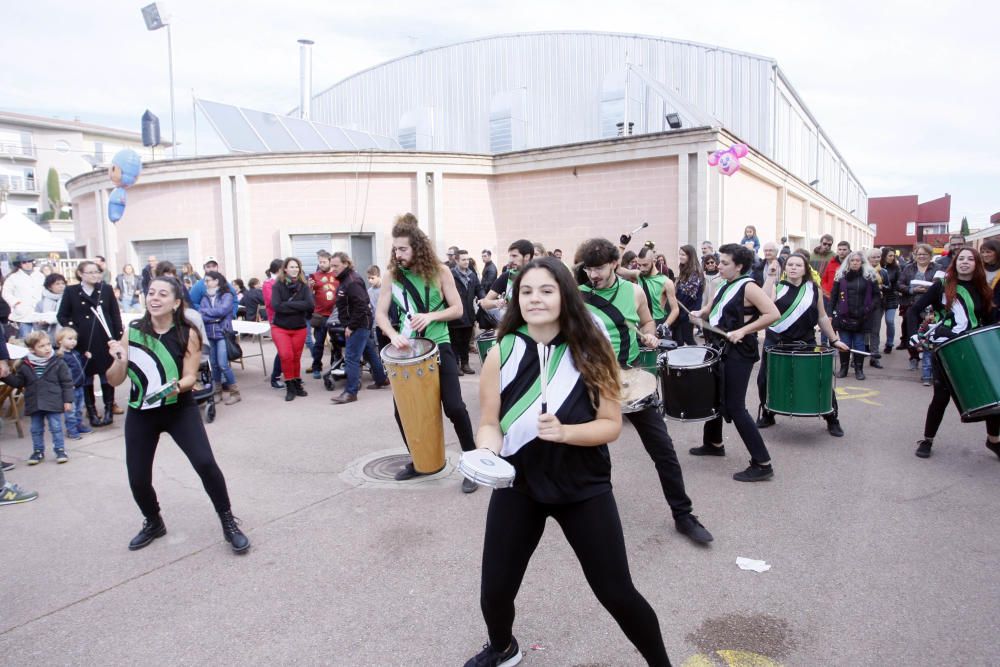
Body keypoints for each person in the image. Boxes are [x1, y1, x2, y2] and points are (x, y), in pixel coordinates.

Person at [466, 257, 673, 667]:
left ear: (565, 295)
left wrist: (565, 433)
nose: (535, 299)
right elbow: (490, 422)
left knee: (616, 591)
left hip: (584, 487)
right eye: (526, 291)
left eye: (546, 290)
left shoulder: (591, 350)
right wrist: (488, 452)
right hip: (520, 486)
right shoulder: (501, 351)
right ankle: (503, 647)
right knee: (495, 589)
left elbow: (610, 425)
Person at [577, 238, 713, 542]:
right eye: (588, 269)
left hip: (631, 378)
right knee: (595, 454)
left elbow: (648, 322)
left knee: (663, 449)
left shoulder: (634, 291)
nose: (593, 275)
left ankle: (683, 514)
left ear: (614, 264)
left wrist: (650, 335)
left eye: (598, 268)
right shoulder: (578, 296)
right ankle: (598, 515)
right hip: (593, 381)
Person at [105, 276, 250, 554]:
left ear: (176, 302)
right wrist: (120, 360)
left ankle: (228, 522)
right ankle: (154, 521)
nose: (154, 298)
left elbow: (190, 378)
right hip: (141, 412)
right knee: (137, 478)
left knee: (206, 464)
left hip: (178, 409)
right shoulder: (133, 330)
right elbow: (114, 380)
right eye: (151, 293)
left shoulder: (188, 332)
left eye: (162, 294)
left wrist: (170, 388)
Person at [374, 214, 478, 491]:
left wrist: (431, 317)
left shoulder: (441, 271)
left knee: (454, 407)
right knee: (403, 413)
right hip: (408, 351)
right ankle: (420, 461)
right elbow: (381, 315)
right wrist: (393, 334)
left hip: (439, 346)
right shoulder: (392, 276)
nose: (398, 254)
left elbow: (458, 309)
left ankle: (473, 463)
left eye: (403, 248)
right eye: (395, 248)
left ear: (418, 248)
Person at [688, 243, 780, 482]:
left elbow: (772, 314)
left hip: (740, 351)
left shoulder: (748, 286)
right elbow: (711, 309)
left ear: (739, 266)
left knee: (736, 407)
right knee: (714, 396)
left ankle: (762, 462)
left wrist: (743, 331)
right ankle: (714, 443)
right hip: (722, 347)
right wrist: (700, 313)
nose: (719, 265)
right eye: (719, 261)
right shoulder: (724, 284)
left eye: (725, 262)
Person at [906, 248, 999, 459]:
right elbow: (914, 310)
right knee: (941, 397)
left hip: (974, 348)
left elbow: (989, 318)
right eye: (961, 259)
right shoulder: (941, 285)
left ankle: (993, 441)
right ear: (955, 262)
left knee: (993, 395)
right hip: (947, 348)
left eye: (970, 259)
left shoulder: (982, 288)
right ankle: (927, 440)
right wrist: (913, 336)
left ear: (977, 264)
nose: (964, 262)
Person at [755, 251, 849, 436]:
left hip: (805, 341)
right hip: (777, 342)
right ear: (785, 268)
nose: (793, 268)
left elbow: (822, 316)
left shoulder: (814, 289)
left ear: (805, 269)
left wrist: (834, 339)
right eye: (790, 265)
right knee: (764, 380)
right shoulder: (777, 287)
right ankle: (768, 413)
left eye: (798, 265)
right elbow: (763, 303)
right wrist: (771, 276)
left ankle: (832, 418)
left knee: (819, 379)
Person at [56, 260, 123, 427]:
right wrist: (75, 331)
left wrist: (117, 337)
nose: (95, 275)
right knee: (86, 378)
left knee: (106, 376)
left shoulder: (105, 289)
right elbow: (62, 315)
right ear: (80, 274)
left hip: (104, 339)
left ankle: (109, 409)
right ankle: (91, 411)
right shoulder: (72, 291)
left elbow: (115, 314)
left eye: (97, 272)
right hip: (83, 341)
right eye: (90, 272)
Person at [2, 330, 73, 464]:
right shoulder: (25, 365)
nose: (47, 348)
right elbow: (19, 383)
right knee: (35, 429)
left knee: (56, 427)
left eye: (48, 344)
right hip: (35, 402)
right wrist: (5, 376)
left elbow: (67, 383)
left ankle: (60, 450)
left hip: (53, 401)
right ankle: (38, 451)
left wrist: (68, 400)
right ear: (32, 349)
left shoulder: (58, 362)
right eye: (41, 346)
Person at [328, 252, 390, 404]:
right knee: (369, 352)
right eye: (332, 266)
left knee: (351, 357)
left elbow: (362, 306)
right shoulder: (345, 280)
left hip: (358, 325)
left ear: (346, 264)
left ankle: (350, 392)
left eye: (336, 265)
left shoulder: (352, 281)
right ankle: (381, 379)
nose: (333, 269)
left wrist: (351, 326)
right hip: (360, 324)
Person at [270, 257, 315, 401]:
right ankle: (289, 385)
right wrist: (299, 305)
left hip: (299, 328)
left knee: (296, 357)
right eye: (291, 267)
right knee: (286, 355)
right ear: (285, 269)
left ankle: (297, 383)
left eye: (297, 267)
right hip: (280, 328)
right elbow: (276, 306)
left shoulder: (304, 286)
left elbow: (309, 305)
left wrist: (287, 306)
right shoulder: (278, 286)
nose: (295, 269)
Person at [830, 251, 876, 380]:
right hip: (844, 315)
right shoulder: (840, 276)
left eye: (858, 260)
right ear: (848, 262)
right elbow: (833, 296)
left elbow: (877, 296)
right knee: (844, 343)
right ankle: (843, 369)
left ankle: (859, 369)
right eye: (852, 260)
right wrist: (830, 313)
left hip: (862, 316)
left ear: (862, 262)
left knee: (859, 344)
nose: (855, 262)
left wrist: (868, 308)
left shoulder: (869, 277)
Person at [198, 270, 241, 405]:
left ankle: (235, 393)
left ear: (216, 281)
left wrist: (208, 313)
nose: (205, 283)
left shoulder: (226, 295)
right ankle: (217, 392)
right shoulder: (205, 297)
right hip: (210, 334)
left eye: (208, 280)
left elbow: (223, 310)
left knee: (223, 364)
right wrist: (214, 316)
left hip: (222, 333)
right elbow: (201, 314)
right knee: (214, 365)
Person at [616, 245, 679, 329]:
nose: (642, 268)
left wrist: (665, 325)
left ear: (654, 261)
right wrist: (622, 246)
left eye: (645, 265)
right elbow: (617, 269)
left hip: (657, 322)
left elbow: (675, 309)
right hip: (641, 321)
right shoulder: (638, 275)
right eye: (639, 265)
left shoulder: (666, 282)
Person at [898, 243, 937, 365]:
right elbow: (899, 284)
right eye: (919, 254)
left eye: (924, 254)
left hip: (931, 307)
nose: (921, 256)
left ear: (930, 256)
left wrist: (931, 289)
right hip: (912, 305)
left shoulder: (938, 268)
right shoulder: (908, 268)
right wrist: (912, 289)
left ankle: (928, 360)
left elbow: (944, 284)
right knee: (912, 332)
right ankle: (914, 357)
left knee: (930, 333)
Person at [479, 240, 535, 322]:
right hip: (513, 326)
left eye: (515, 256)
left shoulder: (540, 275)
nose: (511, 260)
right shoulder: (507, 276)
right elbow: (485, 303)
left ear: (527, 256)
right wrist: (496, 302)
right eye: (510, 256)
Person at [306, 251, 340, 379]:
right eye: (320, 262)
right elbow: (309, 296)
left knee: (336, 342)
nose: (321, 264)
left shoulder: (337, 274)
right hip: (320, 315)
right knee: (319, 343)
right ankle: (316, 367)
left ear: (330, 261)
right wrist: (309, 287)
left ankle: (334, 365)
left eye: (324, 262)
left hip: (335, 316)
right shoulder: (314, 276)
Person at [448, 250, 482, 375]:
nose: (466, 262)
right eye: (463, 259)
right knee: (455, 342)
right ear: (456, 260)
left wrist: (483, 299)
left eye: (468, 259)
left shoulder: (472, 275)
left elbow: (479, 288)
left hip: (469, 314)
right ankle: (456, 365)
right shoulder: (451, 274)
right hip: (455, 315)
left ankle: (465, 364)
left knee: (465, 341)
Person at [57, 327, 93, 440]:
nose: (73, 341)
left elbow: (78, 365)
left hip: (79, 386)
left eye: (75, 339)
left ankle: (78, 425)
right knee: (70, 411)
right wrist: (67, 385)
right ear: (60, 341)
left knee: (79, 408)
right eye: (70, 338)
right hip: (69, 388)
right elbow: (61, 373)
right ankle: (71, 429)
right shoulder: (60, 356)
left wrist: (84, 357)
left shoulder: (75, 353)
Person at [2, 254, 44, 339]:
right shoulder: (13, 277)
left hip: (39, 311)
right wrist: (16, 303)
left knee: (41, 338)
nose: (28, 264)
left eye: (30, 261)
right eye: (24, 262)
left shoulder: (40, 275)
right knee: (25, 339)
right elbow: (5, 293)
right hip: (23, 313)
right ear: (19, 264)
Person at [671, 245, 704, 345]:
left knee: (687, 338)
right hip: (680, 309)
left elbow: (690, 295)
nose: (680, 257)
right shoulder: (683, 269)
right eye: (680, 254)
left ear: (690, 256)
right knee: (677, 337)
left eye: (683, 255)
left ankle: (696, 358)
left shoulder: (695, 272)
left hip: (688, 310)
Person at [262, 259, 286, 389]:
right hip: (276, 320)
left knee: (290, 350)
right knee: (282, 350)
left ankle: (290, 376)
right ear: (279, 270)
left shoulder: (284, 281)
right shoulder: (268, 284)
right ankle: (275, 376)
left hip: (288, 319)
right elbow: (273, 303)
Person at [866, 248, 889, 369]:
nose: (876, 259)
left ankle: (874, 358)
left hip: (878, 305)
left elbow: (889, 287)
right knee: (861, 332)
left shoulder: (883, 272)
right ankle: (857, 358)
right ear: (868, 258)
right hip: (863, 305)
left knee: (875, 331)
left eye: (878, 257)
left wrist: (881, 287)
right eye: (873, 257)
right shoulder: (862, 270)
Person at [880, 248, 901, 354]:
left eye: (893, 256)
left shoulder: (896, 268)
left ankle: (889, 343)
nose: (892, 258)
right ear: (884, 256)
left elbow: (898, 283)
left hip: (891, 297)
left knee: (890, 321)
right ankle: (871, 344)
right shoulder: (877, 267)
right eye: (890, 256)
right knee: (875, 323)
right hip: (879, 298)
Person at [34, 273, 66, 337]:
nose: (61, 286)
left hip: (67, 336)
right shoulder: (41, 304)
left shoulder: (69, 299)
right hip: (48, 337)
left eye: (63, 283)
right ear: (49, 287)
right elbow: (36, 324)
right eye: (57, 284)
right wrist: (42, 323)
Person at [979, 239, 1000, 318]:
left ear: (997, 252)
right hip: (981, 308)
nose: (984, 255)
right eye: (983, 252)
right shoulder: (980, 268)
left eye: (988, 252)